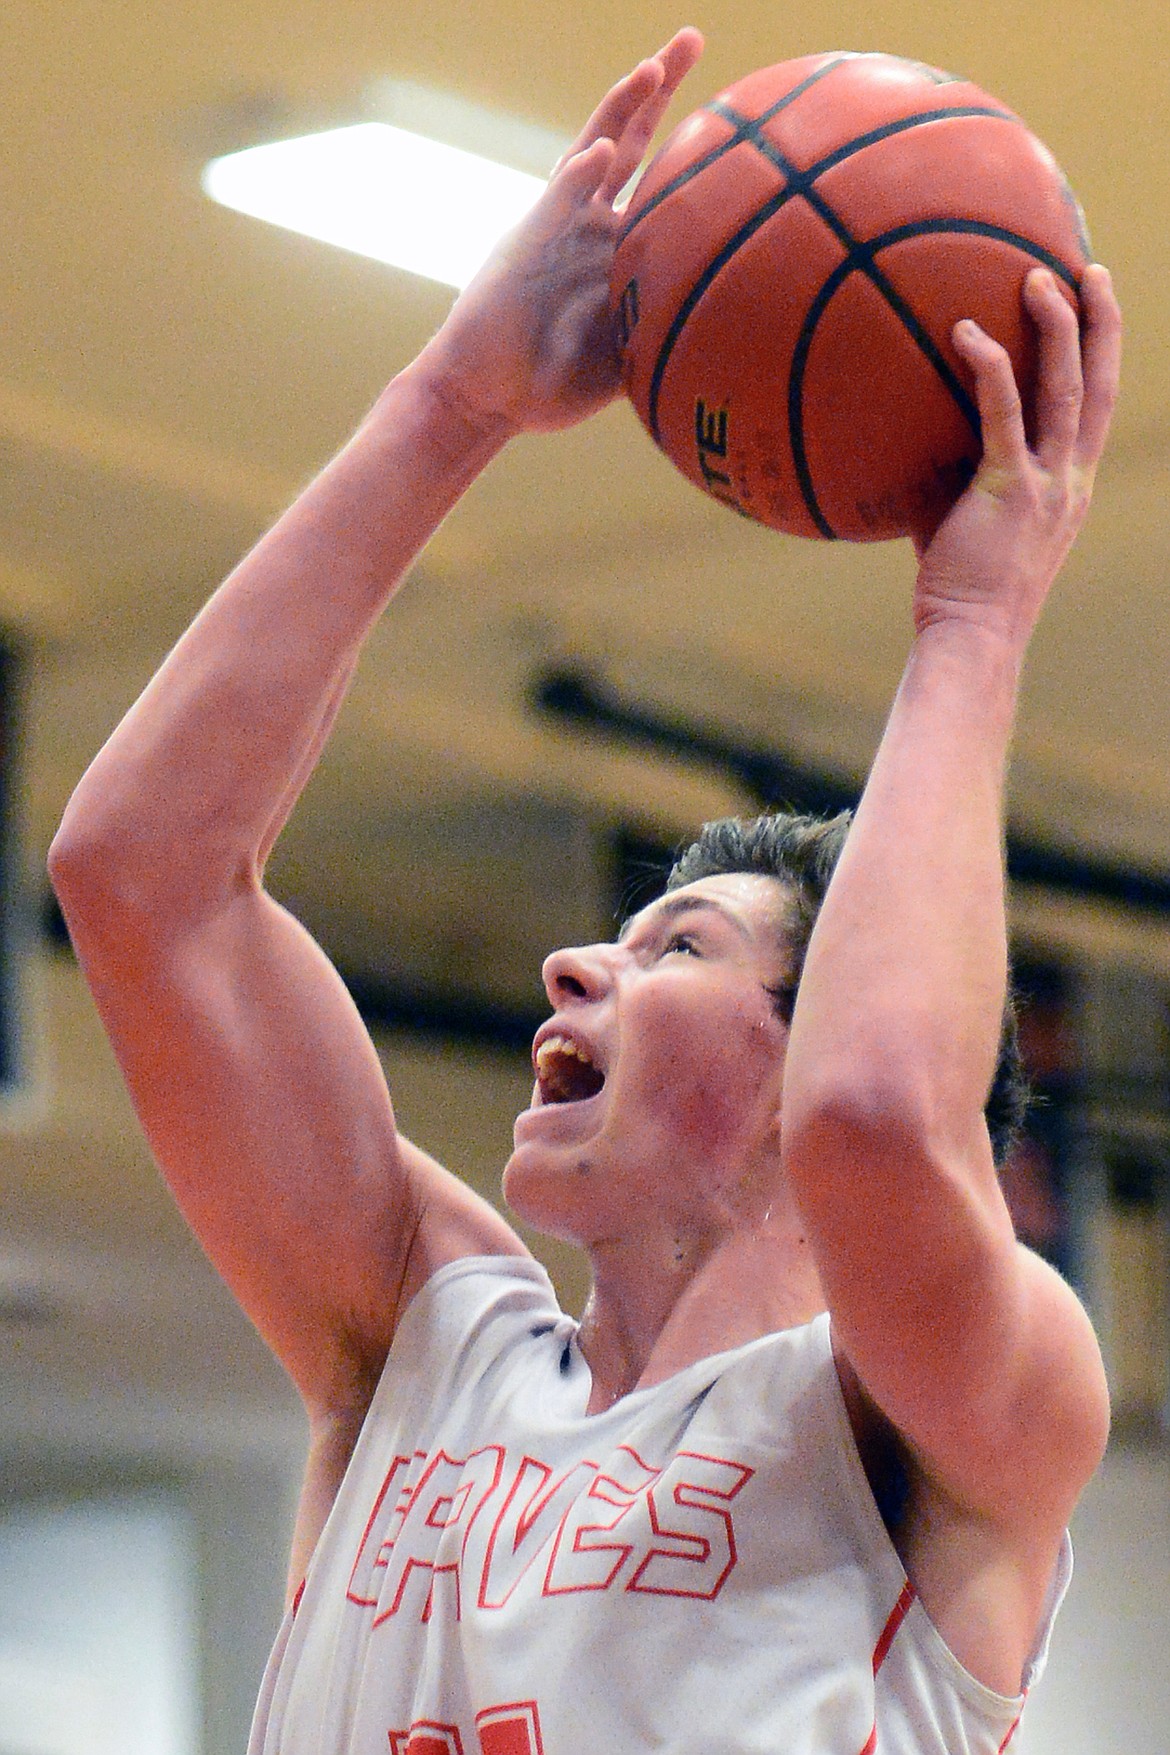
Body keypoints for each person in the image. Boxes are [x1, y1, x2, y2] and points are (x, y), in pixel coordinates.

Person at [47, 27, 1122, 1755]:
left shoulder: (940, 1421)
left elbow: (866, 1109)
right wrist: (446, 407)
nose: (568, 967)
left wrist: (971, 623)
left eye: (674, 948)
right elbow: (138, 880)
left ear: (789, 1051)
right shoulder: (420, 1340)